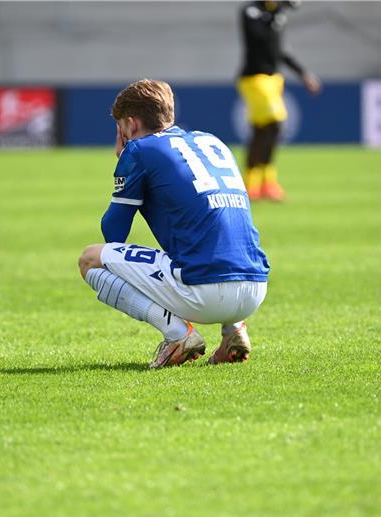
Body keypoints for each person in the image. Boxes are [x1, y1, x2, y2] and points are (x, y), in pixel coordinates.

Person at [78, 79, 270, 368]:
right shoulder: (212, 141)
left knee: (90, 259)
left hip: (205, 293)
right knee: (215, 242)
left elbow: (113, 234)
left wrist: (123, 164)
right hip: (256, 287)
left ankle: (177, 334)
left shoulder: (138, 150)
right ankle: (234, 330)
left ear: (129, 124)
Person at [238, 0, 321, 201]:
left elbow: (280, 50)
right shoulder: (252, 11)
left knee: (263, 129)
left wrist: (303, 73)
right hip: (255, 78)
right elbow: (258, 39)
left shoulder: (277, 14)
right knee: (275, 122)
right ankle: (260, 182)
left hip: (274, 79)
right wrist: (273, 15)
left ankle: (260, 183)